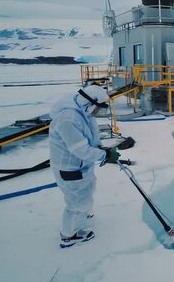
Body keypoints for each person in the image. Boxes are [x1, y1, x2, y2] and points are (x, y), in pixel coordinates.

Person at [49, 84, 120, 247]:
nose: (98, 112)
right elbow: (79, 149)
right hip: (70, 168)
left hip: (82, 165)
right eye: (98, 108)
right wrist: (104, 155)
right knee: (76, 202)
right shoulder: (68, 118)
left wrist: (102, 148)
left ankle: (81, 216)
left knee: (86, 191)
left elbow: (92, 138)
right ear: (90, 102)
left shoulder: (85, 114)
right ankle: (69, 234)